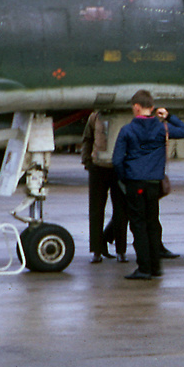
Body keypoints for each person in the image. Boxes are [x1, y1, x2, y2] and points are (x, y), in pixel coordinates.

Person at [110, 90, 184, 280]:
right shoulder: (163, 129)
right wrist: (169, 116)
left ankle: (144, 267)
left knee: (138, 225)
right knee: (152, 223)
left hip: (135, 182)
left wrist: (124, 179)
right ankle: (156, 266)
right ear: (152, 108)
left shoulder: (127, 130)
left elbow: (117, 160)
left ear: (136, 107)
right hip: (154, 183)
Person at [81, 109, 126, 263]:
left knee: (121, 211)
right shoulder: (94, 117)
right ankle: (96, 251)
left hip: (119, 168)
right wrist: (87, 160)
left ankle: (121, 251)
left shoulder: (122, 116)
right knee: (96, 210)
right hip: (98, 168)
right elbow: (88, 138)